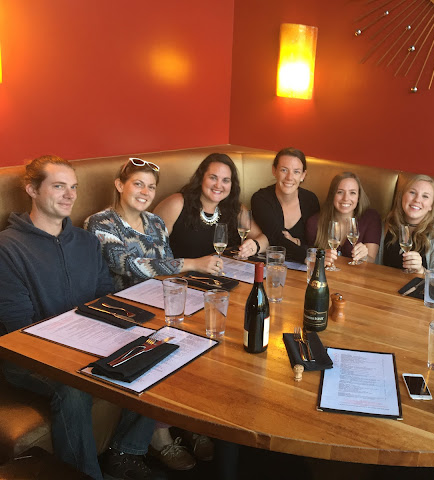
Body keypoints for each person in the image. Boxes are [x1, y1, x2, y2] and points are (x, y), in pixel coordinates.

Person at [0, 155, 155, 480]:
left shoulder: (86, 241)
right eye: (59, 186)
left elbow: (104, 299)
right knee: (74, 387)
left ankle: (126, 451)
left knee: (159, 348)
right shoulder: (8, 248)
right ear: (31, 189)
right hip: (25, 357)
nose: (70, 195)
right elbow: (19, 327)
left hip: (86, 343)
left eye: (73, 187)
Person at [84, 157, 215, 470]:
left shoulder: (155, 223)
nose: (145, 192)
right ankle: (155, 438)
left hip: (157, 305)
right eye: (138, 184)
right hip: (119, 313)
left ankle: (189, 420)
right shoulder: (100, 223)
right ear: (120, 185)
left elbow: (166, 268)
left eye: (151, 187)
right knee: (166, 346)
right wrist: (193, 263)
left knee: (206, 336)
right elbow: (126, 265)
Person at [154, 153, 267, 265]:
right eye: (213, 178)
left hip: (224, 274)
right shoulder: (177, 203)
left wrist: (255, 246)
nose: (218, 185)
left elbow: (264, 239)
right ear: (201, 178)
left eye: (225, 180)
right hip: (181, 275)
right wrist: (195, 264)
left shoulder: (236, 209)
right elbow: (150, 255)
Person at [251, 147, 320, 263]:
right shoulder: (261, 199)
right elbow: (275, 238)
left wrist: (297, 242)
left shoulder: (310, 200)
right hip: (269, 264)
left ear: (303, 175)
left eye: (296, 172)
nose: (289, 177)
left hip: (303, 267)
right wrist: (307, 256)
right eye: (284, 170)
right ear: (274, 171)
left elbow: (315, 241)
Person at [382, 174, 434, 274]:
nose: (417, 200)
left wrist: (421, 271)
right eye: (412, 192)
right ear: (402, 197)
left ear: (431, 206)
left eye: (425, 196)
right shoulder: (387, 226)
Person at [305, 172, 381, 265]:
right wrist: (318, 257)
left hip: (357, 273)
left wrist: (364, 257)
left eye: (352, 193)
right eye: (340, 192)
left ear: (358, 197)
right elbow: (310, 258)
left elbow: (371, 260)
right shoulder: (314, 222)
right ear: (332, 195)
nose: (346, 198)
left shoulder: (370, 218)